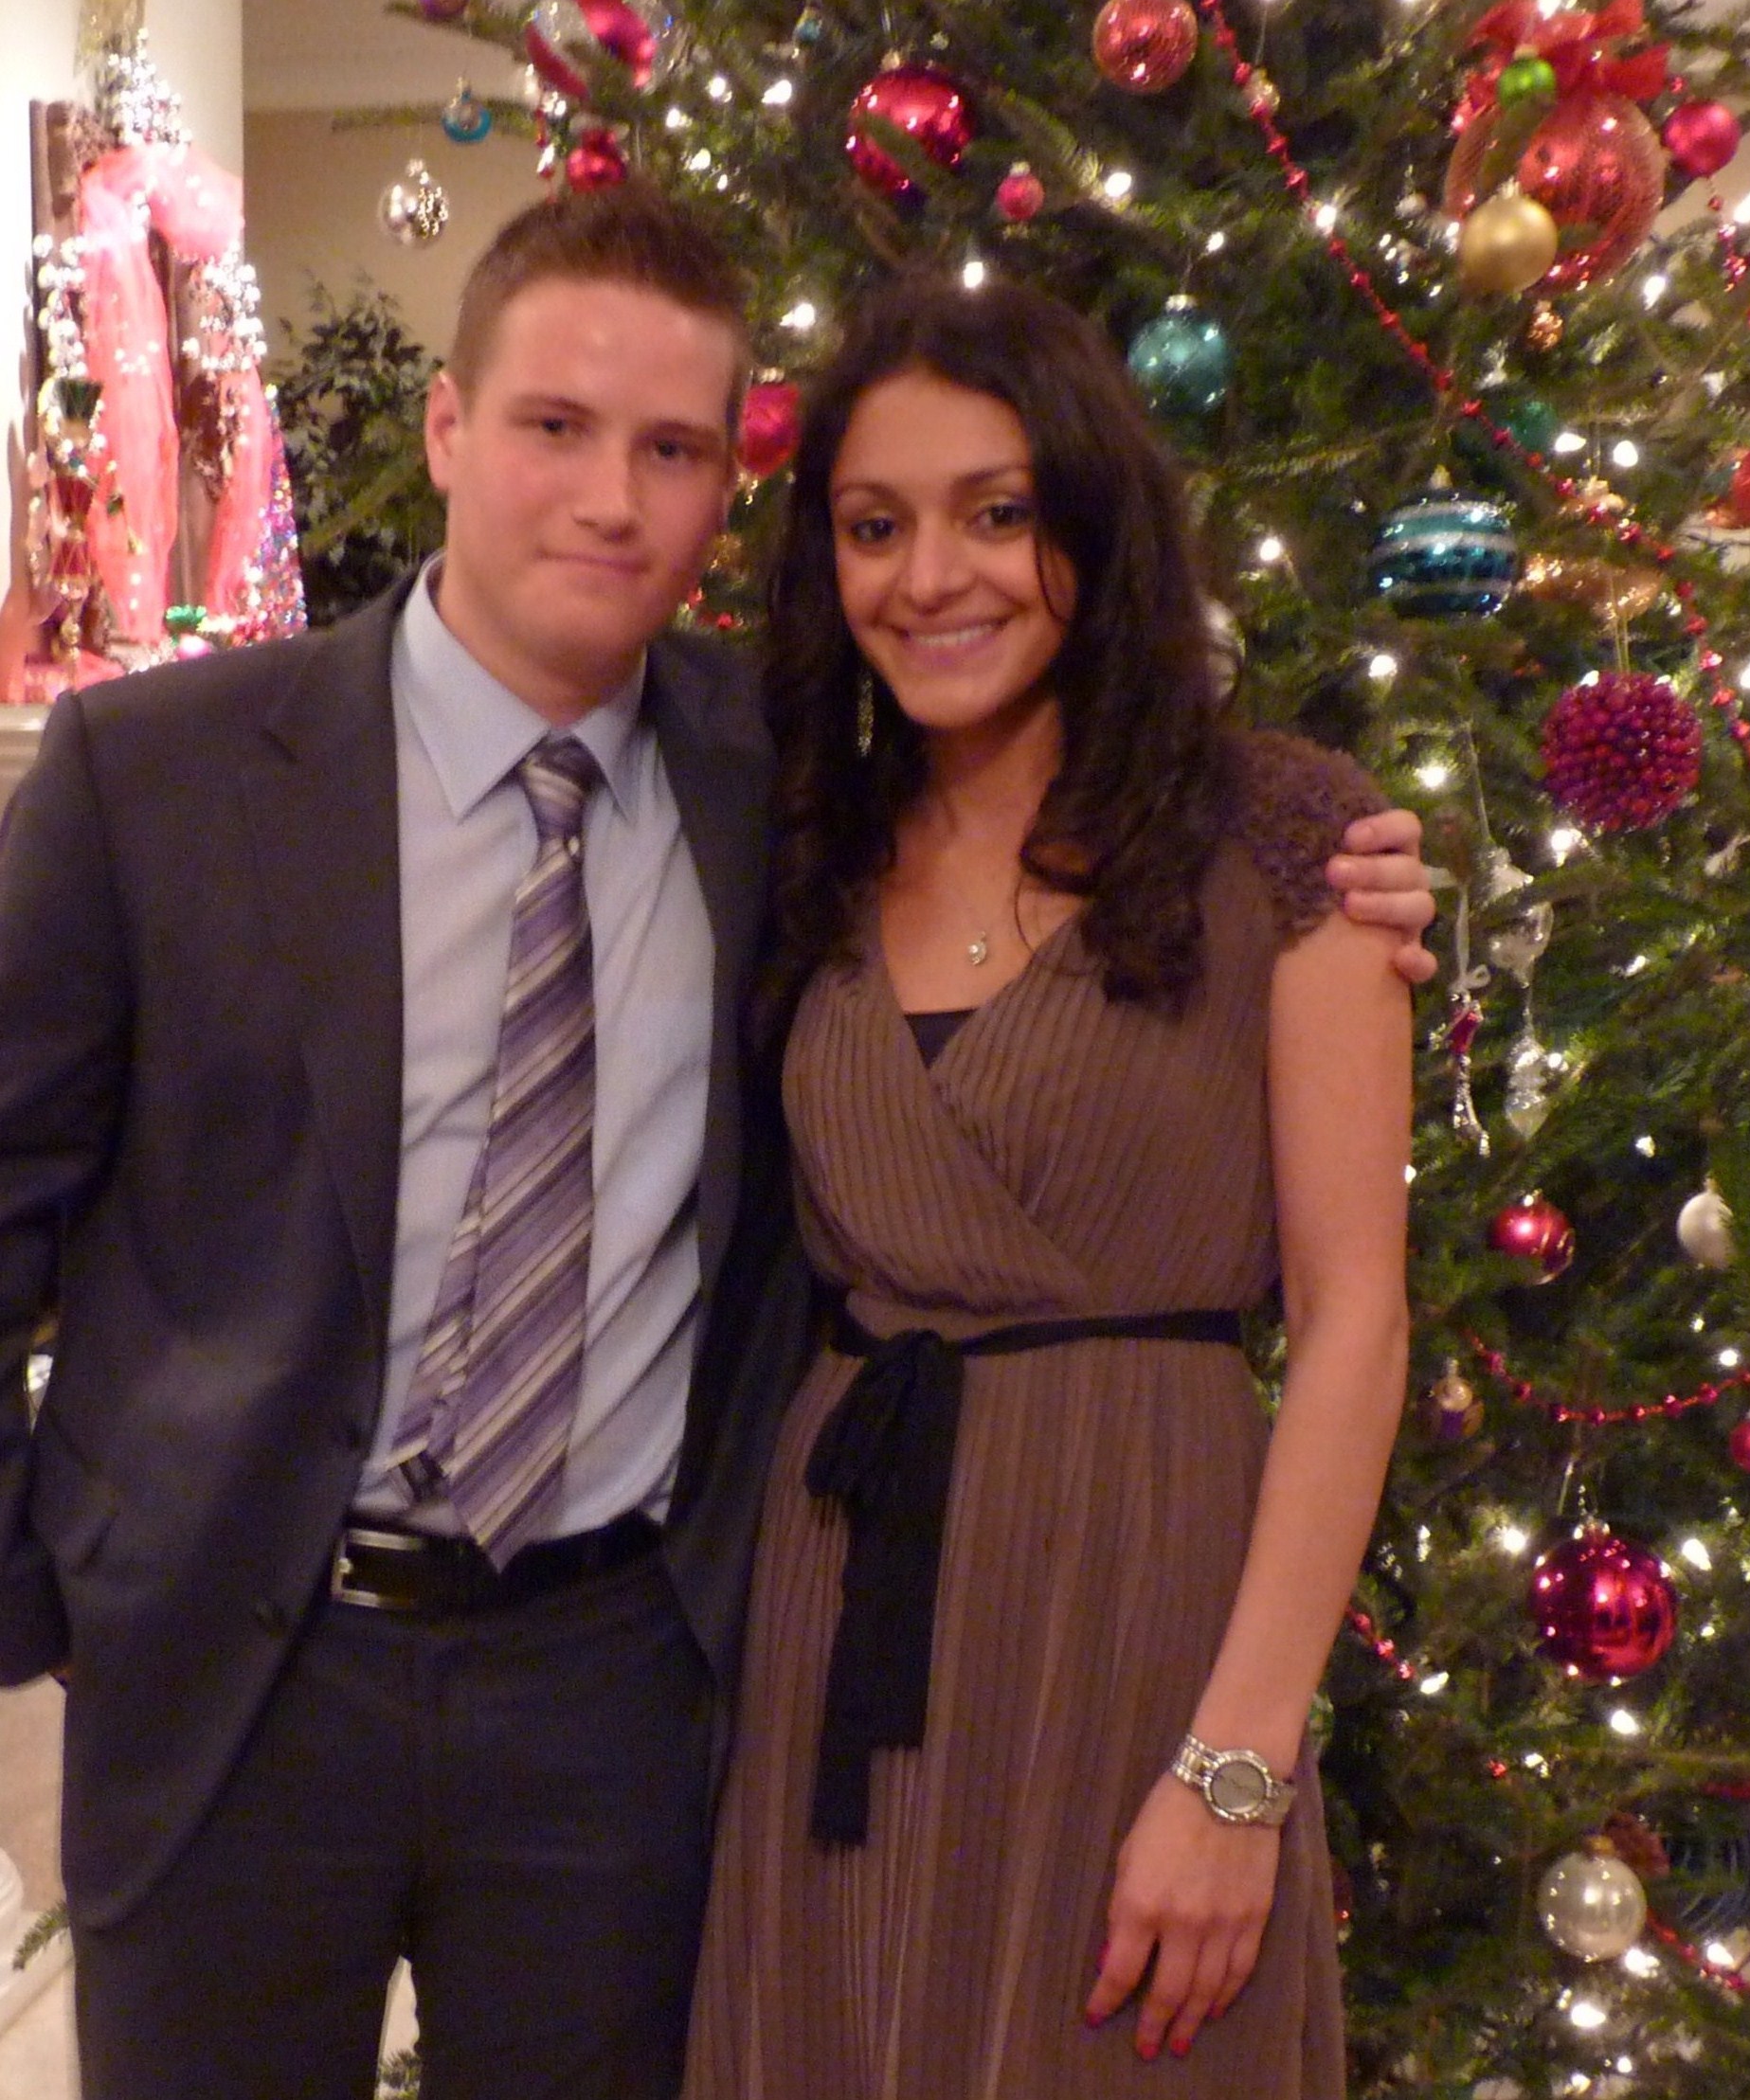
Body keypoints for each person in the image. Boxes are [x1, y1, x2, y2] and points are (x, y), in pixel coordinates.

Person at [0, 186, 1428, 2100]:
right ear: (447, 427)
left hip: (617, 1688)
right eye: (554, 425)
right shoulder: (156, 772)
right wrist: (56, 1590)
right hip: (238, 1678)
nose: (611, 498)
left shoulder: (780, 777)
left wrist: (1356, 870)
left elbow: (1164, 908)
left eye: (671, 449)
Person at [683, 274, 1413, 2099]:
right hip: (840, 1597)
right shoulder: (808, 847)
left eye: (994, 512)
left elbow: (1352, 1325)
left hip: (1141, 1594)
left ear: (1089, 522)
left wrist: (1236, 1772)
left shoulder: (1288, 840)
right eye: (874, 526)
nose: (930, 577)